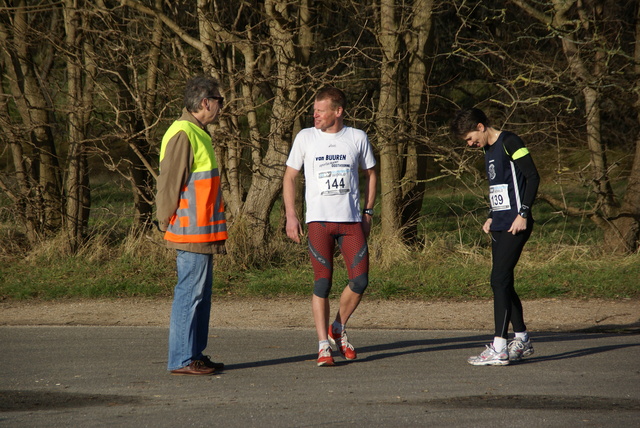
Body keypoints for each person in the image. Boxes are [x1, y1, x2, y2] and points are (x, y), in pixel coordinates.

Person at [283, 87, 377, 367]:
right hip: (319, 222)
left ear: (338, 112)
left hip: (350, 222)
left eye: (320, 111)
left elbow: (371, 174)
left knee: (360, 281)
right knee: (322, 282)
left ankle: (338, 326)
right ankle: (323, 345)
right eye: (314, 110)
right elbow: (289, 177)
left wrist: (368, 212)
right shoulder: (305, 137)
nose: (315, 115)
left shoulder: (357, 137)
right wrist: (291, 215)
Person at [450, 107, 540, 366]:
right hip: (499, 224)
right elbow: (499, 186)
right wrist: (491, 215)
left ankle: (499, 347)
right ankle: (521, 339)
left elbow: (532, 176)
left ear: (480, 126)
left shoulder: (510, 141)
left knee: (497, 280)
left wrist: (523, 213)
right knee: (504, 282)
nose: (468, 144)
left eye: (469, 138)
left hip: (516, 224)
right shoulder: (486, 150)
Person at [156, 76, 228, 375]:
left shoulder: (197, 133)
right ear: (205, 102)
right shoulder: (184, 133)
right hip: (190, 232)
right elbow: (169, 182)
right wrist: (163, 221)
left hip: (202, 232)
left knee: (200, 295)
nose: (221, 107)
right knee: (190, 293)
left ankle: (194, 354)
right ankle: (182, 360)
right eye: (219, 101)